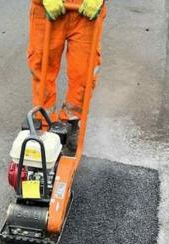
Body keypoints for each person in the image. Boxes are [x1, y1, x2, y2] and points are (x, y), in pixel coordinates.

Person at [28, 0, 106, 151]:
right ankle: (43, 120)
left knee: (84, 73)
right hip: (46, 9)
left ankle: (72, 121)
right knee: (42, 68)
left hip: (85, 12)